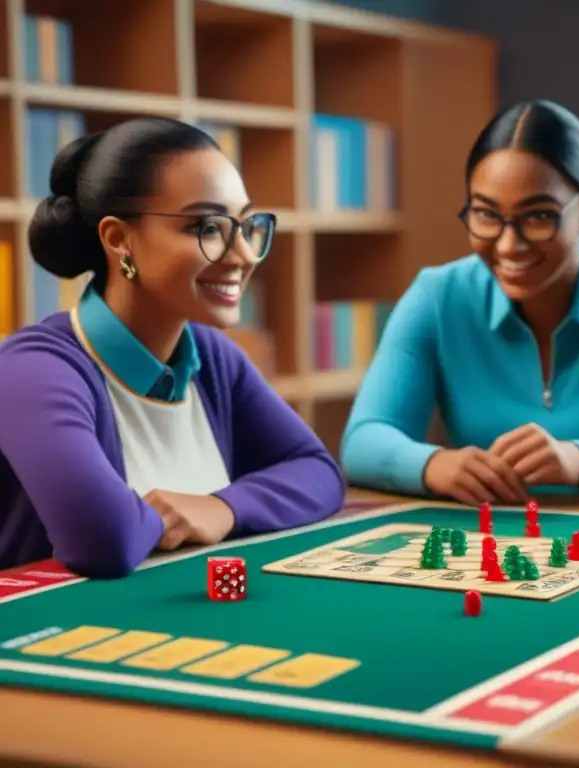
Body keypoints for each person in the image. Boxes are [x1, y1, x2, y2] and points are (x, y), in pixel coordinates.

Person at [0, 117, 345, 577]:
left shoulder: (212, 358)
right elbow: (104, 538)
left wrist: (220, 508)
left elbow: (318, 472)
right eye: (206, 227)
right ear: (119, 240)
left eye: (246, 225)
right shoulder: (34, 370)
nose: (242, 255)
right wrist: (181, 514)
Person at [342, 100, 579, 504]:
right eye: (486, 214)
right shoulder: (437, 296)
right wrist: (433, 465)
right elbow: (363, 441)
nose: (509, 244)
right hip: (492, 543)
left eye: (538, 216)